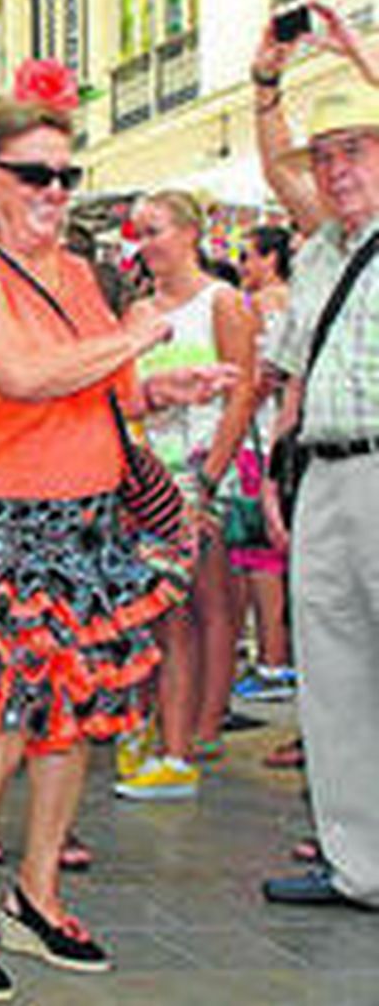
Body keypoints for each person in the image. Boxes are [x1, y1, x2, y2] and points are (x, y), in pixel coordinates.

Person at [0, 88, 233, 1001]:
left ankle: (36, 893)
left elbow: (106, 389)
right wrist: (133, 337)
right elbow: (19, 372)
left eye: (64, 173)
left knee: (70, 719)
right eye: (33, 173)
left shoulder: (77, 273)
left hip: (85, 520)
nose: (53, 189)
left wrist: (162, 389)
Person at [253, 5, 379, 910]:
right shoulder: (323, 252)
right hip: (328, 474)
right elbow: (294, 376)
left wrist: (359, 60)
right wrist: (266, 85)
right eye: (325, 155)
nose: (336, 170)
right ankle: (359, 863)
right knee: (331, 676)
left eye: (357, 150)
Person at [115, 190, 255, 800]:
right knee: (155, 611)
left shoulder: (222, 302)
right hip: (146, 478)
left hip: (197, 474)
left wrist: (209, 479)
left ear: (190, 233)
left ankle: (189, 735)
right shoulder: (137, 310)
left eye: (155, 230)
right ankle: (162, 728)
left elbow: (242, 394)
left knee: (194, 606)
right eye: (138, 232)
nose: (144, 243)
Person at [230, 225, 295, 702]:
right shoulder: (282, 298)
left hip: (261, 440)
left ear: (271, 259)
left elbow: (268, 374)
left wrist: (241, 408)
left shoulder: (267, 303)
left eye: (249, 256)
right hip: (272, 438)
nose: (242, 266)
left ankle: (273, 661)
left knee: (261, 556)